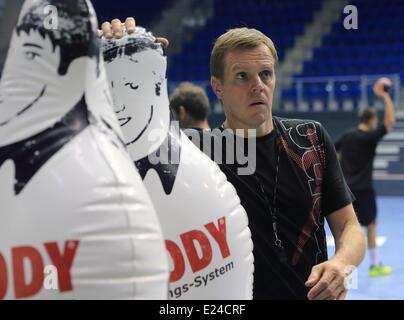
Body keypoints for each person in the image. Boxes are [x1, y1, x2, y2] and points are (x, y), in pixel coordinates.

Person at [100, 19, 366, 300]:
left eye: (266, 74)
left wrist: (341, 263)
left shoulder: (310, 138)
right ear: (218, 87)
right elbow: (120, 141)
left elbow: (349, 226)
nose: (258, 86)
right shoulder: (193, 151)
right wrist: (116, 59)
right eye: (242, 76)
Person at [335, 81, 395, 277]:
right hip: (365, 190)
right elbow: (389, 124)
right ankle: (375, 265)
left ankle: (341, 268)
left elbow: (331, 154)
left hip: (347, 191)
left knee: (346, 230)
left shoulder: (346, 137)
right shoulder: (369, 138)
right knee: (370, 226)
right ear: (371, 120)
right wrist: (385, 97)